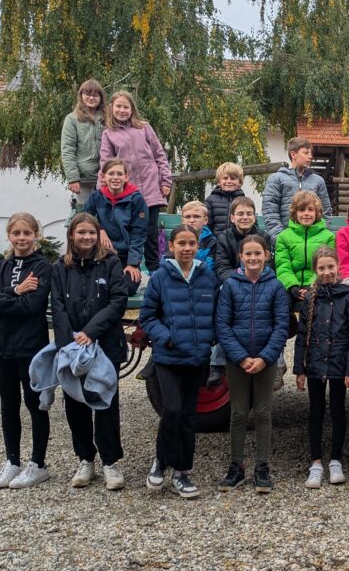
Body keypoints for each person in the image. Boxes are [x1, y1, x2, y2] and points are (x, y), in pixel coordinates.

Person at [51, 213, 129, 490]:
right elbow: (57, 304)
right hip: (73, 346)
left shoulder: (111, 263)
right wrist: (69, 342)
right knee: (75, 403)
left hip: (105, 345)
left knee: (105, 401)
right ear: (72, 235)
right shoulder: (60, 267)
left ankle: (110, 461)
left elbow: (118, 300)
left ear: (98, 235)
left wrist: (91, 332)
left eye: (92, 233)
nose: (87, 237)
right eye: (81, 232)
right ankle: (85, 458)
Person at [139, 224, 218, 499]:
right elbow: (148, 316)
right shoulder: (160, 277)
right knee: (171, 409)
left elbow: (217, 314)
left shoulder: (207, 277)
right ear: (171, 246)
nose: (187, 248)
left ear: (198, 246)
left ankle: (182, 472)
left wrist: (210, 338)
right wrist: (167, 337)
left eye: (191, 243)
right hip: (169, 356)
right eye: (181, 243)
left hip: (197, 357)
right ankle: (161, 461)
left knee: (188, 415)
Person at [0, 213, 52, 489]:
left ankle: (38, 463)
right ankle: (12, 461)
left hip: (30, 346)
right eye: (16, 233)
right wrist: (16, 290)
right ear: (9, 236)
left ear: (36, 235)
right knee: (8, 405)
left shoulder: (42, 267)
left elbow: (30, 307)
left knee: (34, 404)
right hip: (2, 346)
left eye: (27, 233)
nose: (21, 238)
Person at [215, 235, 290, 493]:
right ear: (240, 256)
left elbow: (281, 325)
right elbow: (222, 325)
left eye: (258, 253)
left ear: (266, 255)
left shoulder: (276, 286)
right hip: (238, 360)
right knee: (238, 412)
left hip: (265, 360)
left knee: (263, 412)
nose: (253, 258)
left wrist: (265, 357)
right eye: (248, 253)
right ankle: (236, 466)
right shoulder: (231, 286)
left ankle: (262, 467)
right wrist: (241, 357)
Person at [294, 247, 349, 489]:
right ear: (315, 269)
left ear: (338, 267)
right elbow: (303, 334)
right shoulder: (311, 297)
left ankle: (335, 460)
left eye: (330, 267)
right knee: (316, 411)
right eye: (321, 268)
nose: (327, 272)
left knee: (338, 410)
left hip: (340, 362)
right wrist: (300, 369)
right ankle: (316, 463)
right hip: (315, 362)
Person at [99, 90, 173, 274]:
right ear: (111, 108)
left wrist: (165, 181)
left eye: (126, 107)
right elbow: (105, 162)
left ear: (132, 109)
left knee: (151, 232)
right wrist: (102, 189)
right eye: (118, 106)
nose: (122, 110)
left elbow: (160, 154)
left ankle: (155, 271)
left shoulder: (144, 128)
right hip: (128, 192)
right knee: (131, 231)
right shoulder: (109, 134)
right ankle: (132, 269)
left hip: (150, 187)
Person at [211, 196, 270, 387]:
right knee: (224, 302)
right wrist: (241, 281)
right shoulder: (224, 238)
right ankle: (217, 362)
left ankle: (276, 362)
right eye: (240, 214)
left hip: (260, 282)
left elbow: (270, 266)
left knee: (274, 299)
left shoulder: (264, 237)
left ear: (255, 216)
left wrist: (254, 281)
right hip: (233, 284)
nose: (245, 217)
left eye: (249, 213)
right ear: (232, 217)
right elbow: (222, 268)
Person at [83, 158, 146, 296]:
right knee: (92, 287)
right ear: (103, 176)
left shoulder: (136, 199)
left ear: (126, 177)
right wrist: (99, 230)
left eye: (119, 174)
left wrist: (133, 264)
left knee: (128, 288)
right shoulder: (96, 197)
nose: (115, 177)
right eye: (111, 173)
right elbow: (83, 219)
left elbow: (139, 233)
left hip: (125, 256)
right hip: (101, 254)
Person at [263, 137, 332, 244]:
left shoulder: (318, 181)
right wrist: (280, 239)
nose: (310, 156)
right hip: (285, 242)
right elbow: (270, 212)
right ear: (293, 154)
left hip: (313, 243)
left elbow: (325, 212)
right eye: (306, 153)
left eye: (310, 153)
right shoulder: (276, 179)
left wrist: (320, 239)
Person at [274, 191, 336, 305]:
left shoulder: (328, 237)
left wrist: (312, 285)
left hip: (319, 283)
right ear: (295, 213)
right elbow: (283, 265)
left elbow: (328, 265)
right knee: (281, 302)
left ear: (317, 212)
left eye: (310, 209)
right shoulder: (283, 237)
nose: (306, 213)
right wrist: (292, 286)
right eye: (302, 210)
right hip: (291, 285)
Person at [61, 79, 106, 209]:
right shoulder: (72, 119)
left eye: (95, 95)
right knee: (85, 215)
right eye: (87, 94)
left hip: (105, 178)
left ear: (100, 98)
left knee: (105, 215)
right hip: (83, 179)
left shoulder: (107, 118)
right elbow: (68, 150)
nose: (91, 98)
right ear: (81, 95)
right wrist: (73, 178)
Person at [205, 162, 247, 237]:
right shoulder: (210, 201)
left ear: (239, 183)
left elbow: (252, 226)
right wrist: (213, 242)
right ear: (219, 182)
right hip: (217, 242)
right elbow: (206, 225)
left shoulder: (245, 201)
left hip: (240, 242)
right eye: (225, 178)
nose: (229, 181)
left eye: (233, 178)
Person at [179, 201, 217, 266]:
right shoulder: (175, 240)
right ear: (182, 221)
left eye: (196, 216)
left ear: (205, 220)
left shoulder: (212, 243)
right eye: (187, 217)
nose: (191, 220)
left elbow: (210, 267)